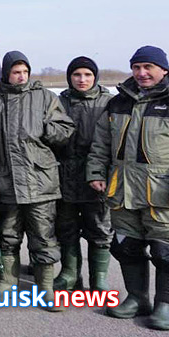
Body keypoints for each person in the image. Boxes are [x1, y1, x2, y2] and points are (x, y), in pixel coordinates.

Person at [0, 51, 75, 312]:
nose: (21, 76)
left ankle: (46, 289)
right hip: (5, 182)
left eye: (25, 72)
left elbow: (65, 129)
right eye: (16, 71)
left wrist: (47, 129)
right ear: (6, 73)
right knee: (8, 235)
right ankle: (8, 281)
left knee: (43, 236)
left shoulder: (44, 98)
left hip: (40, 180)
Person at [87, 46, 169, 330]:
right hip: (122, 188)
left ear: (163, 69)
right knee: (126, 246)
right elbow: (101, 143)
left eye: (148, 67)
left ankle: (166, 304)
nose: (141, 73)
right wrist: (96, 172)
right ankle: (137, 297)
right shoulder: (118, 102)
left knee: (166, 250)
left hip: (162, 191)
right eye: (136, 67)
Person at [51, 57, 114, 293]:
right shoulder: (58, 102)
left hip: (96, 176)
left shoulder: (108, 103)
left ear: (95, 77)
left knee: (99, 228)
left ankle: (98, 279)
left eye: (87, 75)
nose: (82, 80)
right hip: (64, 175)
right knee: (66, 227)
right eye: (77, 75)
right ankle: (69, 274)